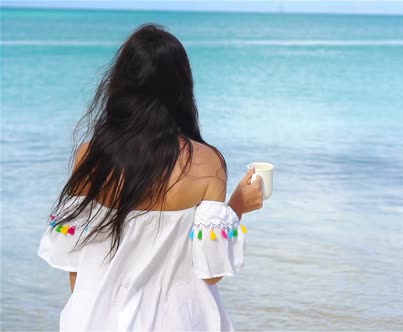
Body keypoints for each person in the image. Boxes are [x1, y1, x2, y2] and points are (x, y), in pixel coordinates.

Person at [37, 23, 263, 331]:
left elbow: (72, 263)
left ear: (121, 85)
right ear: (182, 87)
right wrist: (237, 206)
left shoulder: (90, 156)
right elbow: (210, 272)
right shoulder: (207, 163)